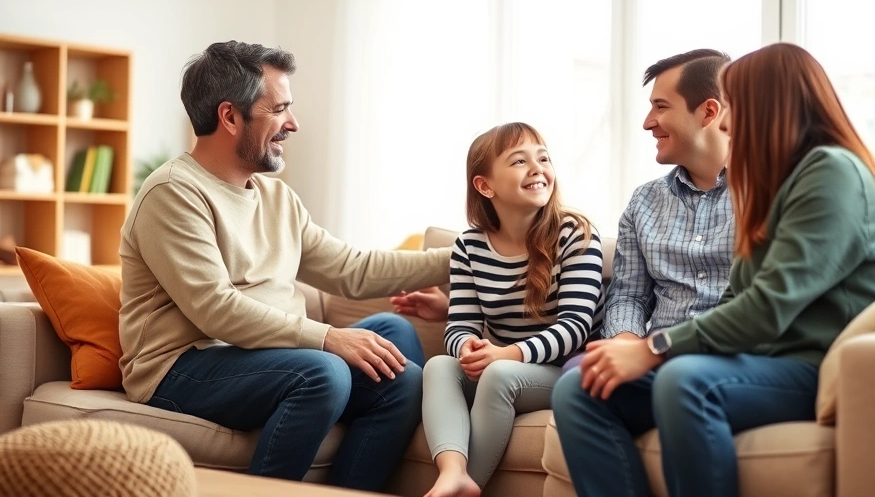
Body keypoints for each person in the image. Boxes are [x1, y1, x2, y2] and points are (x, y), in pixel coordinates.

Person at [551, 42, 875, 497]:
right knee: (581, 389)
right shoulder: (771, 184)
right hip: (760, 359)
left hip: (811, 366)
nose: (723, 122)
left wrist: (656, 348)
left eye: (732, 107)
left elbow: (768, 307)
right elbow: (737, 298)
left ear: (769, 105)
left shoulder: (832, 172)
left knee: (686, 383)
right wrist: (648, 349)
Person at [118, 41, 450, 491]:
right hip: (183, 367)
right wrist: (329, 338)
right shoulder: (173, 194)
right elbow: (215, 309)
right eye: (280, 110)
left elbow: (352, 270)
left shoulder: (276, 198)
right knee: (324, 371)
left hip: (262, 357)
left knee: (395, 353)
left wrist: (463, 259)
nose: (293, 124)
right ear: (230, 116)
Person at [402, 122, 604, 497]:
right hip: (504, 361)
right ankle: (452, 471)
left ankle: (469, 486)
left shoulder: (576, 234)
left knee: (499, 376)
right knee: (440, 365)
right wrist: (466, 348)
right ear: (485, 186)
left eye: (543, 158)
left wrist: (505, 355)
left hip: (565, 369)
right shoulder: (469, 247)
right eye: (519, 161)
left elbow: (575, 326)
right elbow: (460, 323)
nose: (537, 167)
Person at [560, 48, 735, 377]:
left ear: (709, 112)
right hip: (652, 356)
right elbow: (628, 294)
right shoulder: (643, 202)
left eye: (660, 106)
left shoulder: (765, 195)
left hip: (726, 355)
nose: (647, 122)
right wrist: (627, 346)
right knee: (579, 378)